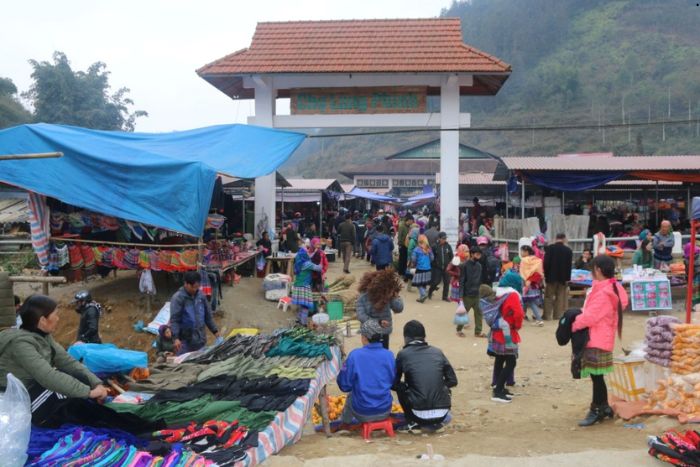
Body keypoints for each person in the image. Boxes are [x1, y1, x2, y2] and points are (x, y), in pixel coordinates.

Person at [0, 295, 157, 432]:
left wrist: (96, 384)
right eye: (55, 315)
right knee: (70, 398)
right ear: (42, 321)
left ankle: (123, 423)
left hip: (35, 390)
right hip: (16, 401)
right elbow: (48, 376)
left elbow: (69, 363)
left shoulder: (43, 337)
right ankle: (120, 425)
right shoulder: (20, 344)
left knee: (77, 380)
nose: (58, 318)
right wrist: (87, 392)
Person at [571, 255, 628, 426]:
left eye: (592, 269)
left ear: (598, 270)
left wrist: (574, 325)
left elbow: (591, 316)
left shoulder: (604, 292)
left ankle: (597, 409)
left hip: (596, 337)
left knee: (596, 376)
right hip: (602, 336)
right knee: (598, 375)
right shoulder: (611, 287)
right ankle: (603, 407)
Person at [394, 320, 458, 433]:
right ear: (424, 336)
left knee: (401, 387)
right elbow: (453, 381)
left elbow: (394, 383)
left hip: (417, 413)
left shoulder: (403, 354)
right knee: (440, 386)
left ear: (406, 338)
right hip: (442, 413)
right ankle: (434, 423)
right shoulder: (437, 352)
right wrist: (438, 385)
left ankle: (412, 422)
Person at [337, 319, 395, 425]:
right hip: (385, 410)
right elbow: (392, 381)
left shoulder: (355, 355)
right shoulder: (389, 355)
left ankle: (344, 424)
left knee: (351, 395)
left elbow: (344, 386)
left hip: (363, 412)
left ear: (364, 337)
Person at [482, 285, 524, 403]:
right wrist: (517, 326)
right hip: (508, 334)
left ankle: (498, 386)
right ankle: (498, 391)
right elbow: (518, 313)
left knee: (500, 359)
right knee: (511, 362)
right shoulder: (513, 295)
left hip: (497, 333)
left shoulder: (499, 295)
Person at [170, 271, 220, 355]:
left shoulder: (201, 296)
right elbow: (175, 320)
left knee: (200, 363)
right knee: (185, 365)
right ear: (186, 284)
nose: (195, 289)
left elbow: (208, 316)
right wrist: (176, 338)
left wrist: (215, 331)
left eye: (197, 287)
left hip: (200, 339)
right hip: (185, 342)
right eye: (193, 287)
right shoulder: (178, 298)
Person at [356, 269, 404, 349]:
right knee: (374, 354)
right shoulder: (363, 296)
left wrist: (396, 296)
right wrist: (378, 323)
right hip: (369, 332)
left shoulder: (387, 294)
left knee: (380, 352)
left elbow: (399, 308)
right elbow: (361, 316)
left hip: (382, 332)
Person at [543, 233, 573, 321]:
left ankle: (547, 316)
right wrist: (568, 278)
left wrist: (546, 275)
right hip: (563, 277)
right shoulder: (568, 250)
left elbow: (546, 263)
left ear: (555, 238)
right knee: (560, 297)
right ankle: (557, 315)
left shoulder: (550, 248)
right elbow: (569, 266)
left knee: (548, 296)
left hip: (551, 276)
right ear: (564, 239)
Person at [291, 247, 323, 325]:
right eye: (307, 253)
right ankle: (303, 323)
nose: (308, 254)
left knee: (301, 305)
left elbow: (309, 257)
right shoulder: (307, 264)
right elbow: (319, 268)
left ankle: (298, 320)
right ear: (305, 255)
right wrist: (322, 260)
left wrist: (314, 253)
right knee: (305, 306)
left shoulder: (298, 263)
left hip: (297, 287)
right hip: (304, 287)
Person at [459, 248, 484, 338]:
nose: (479, 256)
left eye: (479, 255)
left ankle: (478, 331)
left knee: (479, 313)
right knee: (463, 313)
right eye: (477, 254)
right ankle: (459, 330)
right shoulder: (464, 265)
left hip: (476, 293)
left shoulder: (479, 266)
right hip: (467, 294)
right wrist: (461, 295)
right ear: (472, 254)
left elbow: (480, 280)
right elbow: (461, 281)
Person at [519, 245, 544, 325]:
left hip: (526, 283)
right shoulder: (537, 260)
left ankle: (539, 319)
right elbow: (539, 272)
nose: (521, 253)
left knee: (530, 302)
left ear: (526, 252)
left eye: (522, 251)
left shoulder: (524, 260)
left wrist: (527, 280)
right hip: (534, 283)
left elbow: (523, 273)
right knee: (527, 301)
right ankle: (521, 317)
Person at [428, 232, 453, 301]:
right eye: (443, 238)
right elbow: (431, 256)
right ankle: (430, 291)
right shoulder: (434, 246)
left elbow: (451, 256)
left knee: (447, 282)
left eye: (445, 238)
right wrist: (434, 264)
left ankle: (445, 297)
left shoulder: (448, 246)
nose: (444, 240)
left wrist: (449, 264)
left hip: (446, 268)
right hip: (437, 268)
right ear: (439, 238)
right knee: (436, 282)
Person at [411, 235, 434, 303]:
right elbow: (432, 258)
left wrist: (414, 263)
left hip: (420, 268)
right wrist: (428, 262)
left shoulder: (416, 249)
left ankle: (423, 294)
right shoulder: (429, 249)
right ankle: (421, 298)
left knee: (417, 283)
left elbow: (413, 259)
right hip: (428, 268)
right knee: (424, 283)